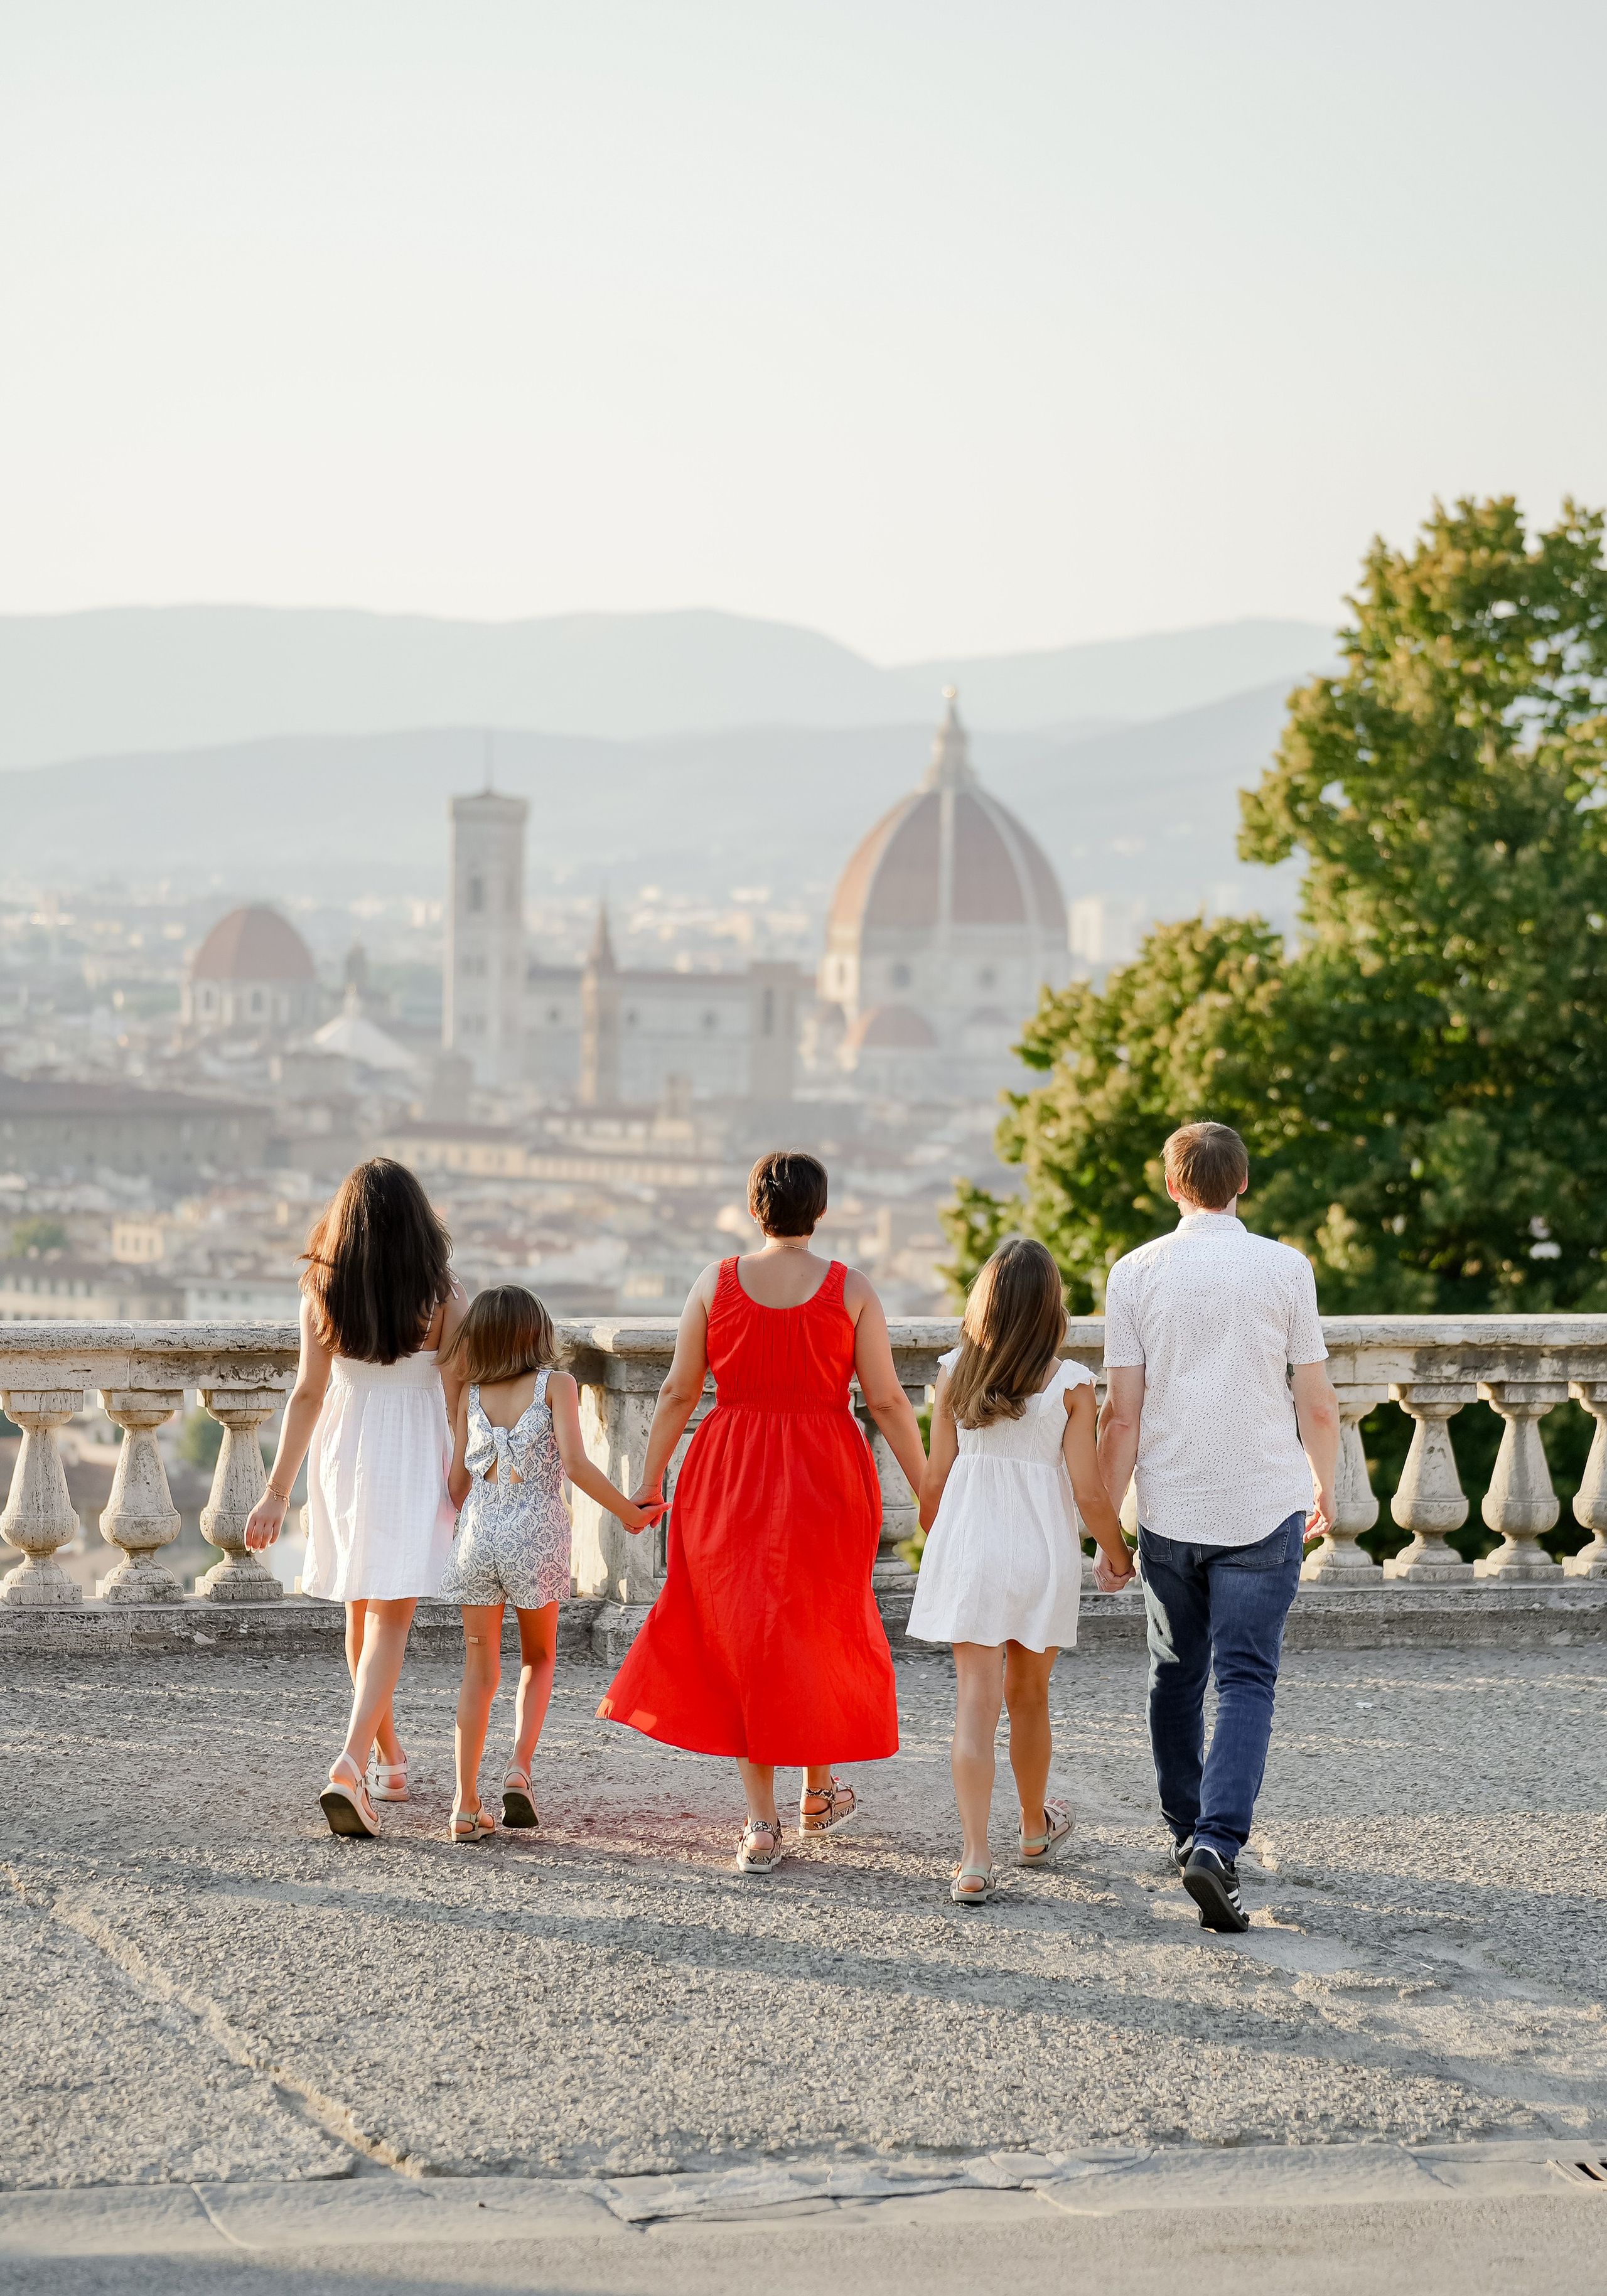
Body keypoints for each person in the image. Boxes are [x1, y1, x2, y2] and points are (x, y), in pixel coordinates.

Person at [597, 1149, 928, 1875]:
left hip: (729, 1466)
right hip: (826, 1470)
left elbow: (679, 1393)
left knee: (744, 1631)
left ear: (755, 1209)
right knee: (818, 1623)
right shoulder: (853, 1289)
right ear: (821, 1210)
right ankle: (816, 1791)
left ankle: (760, 1821)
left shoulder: (715, 1283)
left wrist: (650, 1482)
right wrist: (927, 1486)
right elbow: (886, 1400)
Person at [1097, 1121, 1338, 1932]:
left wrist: (1107, 1529)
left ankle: (1183, 1829)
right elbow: (1317, 1401)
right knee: (1246, 1679)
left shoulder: (1133, 1273)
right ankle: (1218, 1844)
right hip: (1263, 1503)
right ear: (1243, 1183)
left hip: (1172, 1507)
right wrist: (1326, 1485)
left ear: (1172, 1185)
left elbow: (1121, 1416)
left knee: (1175, 1674)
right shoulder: (1285, 1266)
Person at [244, 1157, 466, 1839]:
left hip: (347, 1451)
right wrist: (460, 1480)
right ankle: (349, 1760)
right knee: (391, 1621)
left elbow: (308, 1395)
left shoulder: (320, 1291)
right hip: (416, 1452)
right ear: (417, 1224)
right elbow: (459, 1399)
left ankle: (389, 1759)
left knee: (359, 1609)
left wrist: (276, 1491)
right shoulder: (444, 1298)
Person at [910, 1237, 1134, 1906]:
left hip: (972, 1549)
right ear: (1049, 1308)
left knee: (974, 1704)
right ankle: (1033, 1830)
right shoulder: (1070, 1385)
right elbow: (1090, 1492)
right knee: (1029, 1697)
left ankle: (974, 1859)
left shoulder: (953, 1374)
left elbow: (934, 1482)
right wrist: (1117, 1554)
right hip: (1040, 1553)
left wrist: (944, 1535)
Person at [438, 1284, 657, 1843]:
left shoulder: (469, 1393)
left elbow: (458, 1484)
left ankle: (465, 1805)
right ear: (537, 1332)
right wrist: (629, 1514)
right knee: (538, 1656)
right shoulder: (557, 1384)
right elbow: (578, 1467)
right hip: (534, 1535)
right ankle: (519, 1769)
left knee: (478, 1671)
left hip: (478, 1538)